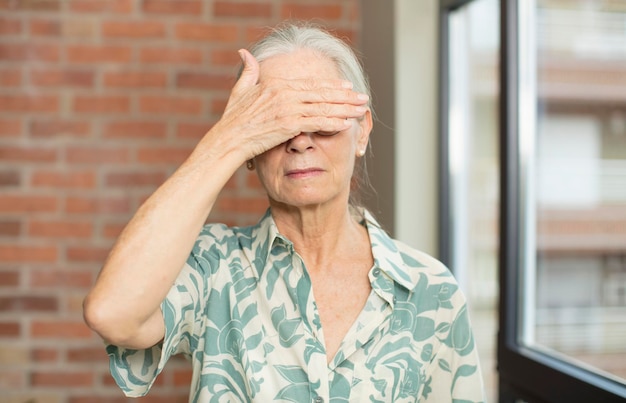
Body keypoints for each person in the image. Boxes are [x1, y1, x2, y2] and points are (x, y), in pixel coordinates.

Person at [83, 22, 485, 402]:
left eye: (321, 117)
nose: (300, 141)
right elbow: (112, 313)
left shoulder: (430, 290)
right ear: (252, 151)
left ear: (361, 130)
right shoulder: (214, 267)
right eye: (277, 122)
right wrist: (229, 138)